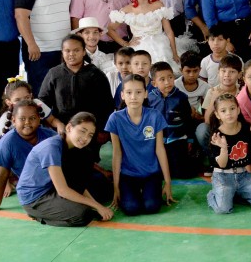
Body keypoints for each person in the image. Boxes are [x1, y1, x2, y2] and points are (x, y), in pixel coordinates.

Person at [17, 113, 114, 227]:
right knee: (83, 214)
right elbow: (62, 190)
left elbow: (77, 184)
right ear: (68, 128)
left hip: (52, 188)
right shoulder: (51, 147)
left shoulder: (77, 149)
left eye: (90, 135)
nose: (85, 138)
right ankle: (39, 215)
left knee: (104, 190)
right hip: (36, 198)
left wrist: (95, 204)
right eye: (82, 131)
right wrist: (97, 206)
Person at [106, 75, 174, 216]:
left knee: (151, 207)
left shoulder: (154, 116)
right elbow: (117, 153)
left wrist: (168, 182)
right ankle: (132, 192)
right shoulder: (115, 119)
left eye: (138, 92)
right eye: (129, 93)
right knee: (131, 208)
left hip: (151, 173)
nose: (133, 97)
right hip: (128, 174)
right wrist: (116, 187)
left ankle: (151, 190)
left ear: (145, 94)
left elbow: (160, 149)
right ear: (122, 95)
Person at [0, 99, 56, 214]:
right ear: (14, 120)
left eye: (33, 118)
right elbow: (1, 175)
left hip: (57, 182)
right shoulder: (7, 143)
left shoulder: (50, 136)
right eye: (22, 119)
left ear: (39, 119)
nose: (28, 122)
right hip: (36, 190)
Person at [15, 0, 74, 94]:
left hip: (63, 50)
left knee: (61, 90)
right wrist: (31, 44)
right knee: (41, 91)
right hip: (40, 51)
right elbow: (21, 17)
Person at [39, 34, 114, 140]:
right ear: (62, 52)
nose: (71, 54)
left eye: (76, 50)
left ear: (84, 52)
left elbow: (107, 105)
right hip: (61, 131)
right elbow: (42, 102)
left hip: (89, 132)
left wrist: (102, 131)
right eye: (67, 51)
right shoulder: (54, 73)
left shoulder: (96, 74)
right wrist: (55, 123)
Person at [206, 91, 251, 214]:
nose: (229, 113)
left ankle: (234, 194)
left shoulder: (246, 129)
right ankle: (214, 195)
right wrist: (223, 148)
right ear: (217, 115)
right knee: (223, 209)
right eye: (223, 111)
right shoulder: (216, 135)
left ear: (238, 110)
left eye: (232, 108)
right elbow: (221, 164)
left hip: (243, 175)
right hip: (222, 176)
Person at [111, 0, 179, 69]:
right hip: (138, 46)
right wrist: (125, 43)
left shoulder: (159, 5)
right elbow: (110, 29)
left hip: (161, 46)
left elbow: (169, 31)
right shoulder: (127, 10)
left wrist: (174, 53)